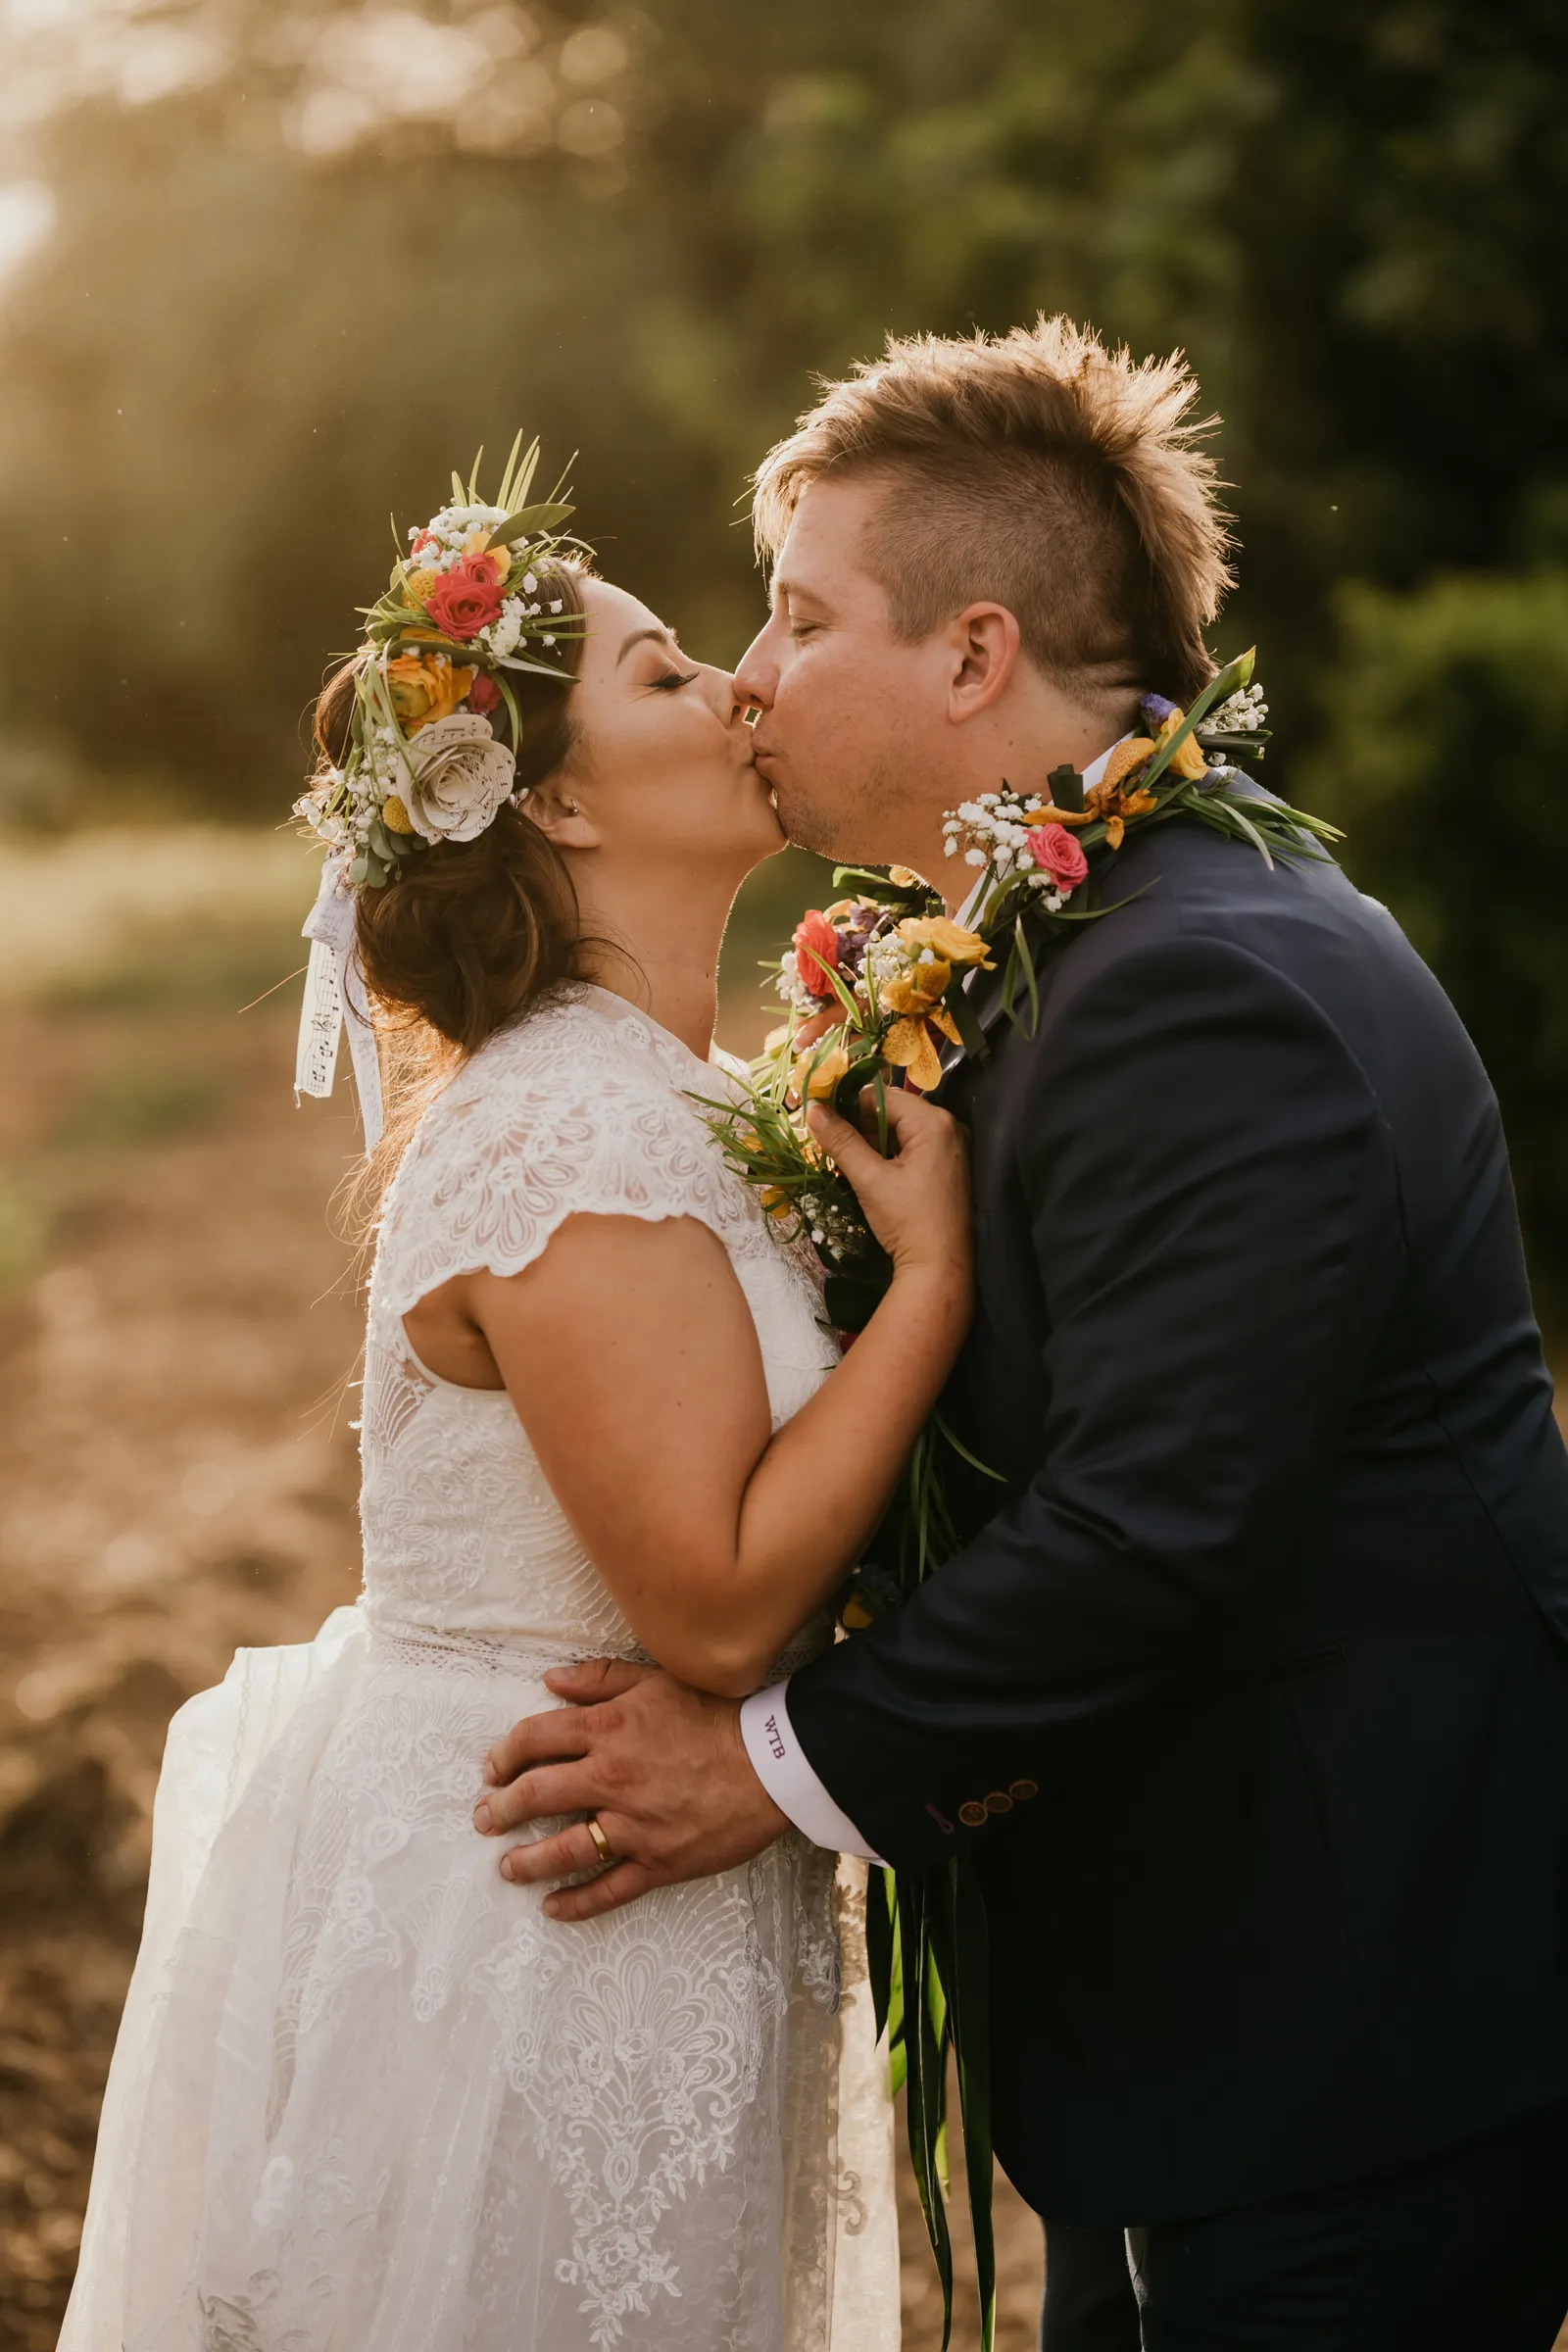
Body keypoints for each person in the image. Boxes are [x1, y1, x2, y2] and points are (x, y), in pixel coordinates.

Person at [478, 320, 1568, 2351]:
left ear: (972, 657)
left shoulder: (1204, 987)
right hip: (1202, 2034)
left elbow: (1158, 1525)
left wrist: (772, 1767)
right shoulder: (1065, 942)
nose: (750, 674)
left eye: (798, 616)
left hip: (1344, 2041)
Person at [60, 505, 971, 2346]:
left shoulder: (692, 1100)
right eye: (664, 670)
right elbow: (712, 1608)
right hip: (549, 1918)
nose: (737, 683)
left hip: (657, 1885)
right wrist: (936, 1289)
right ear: (549, 802)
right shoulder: (577, 1136)